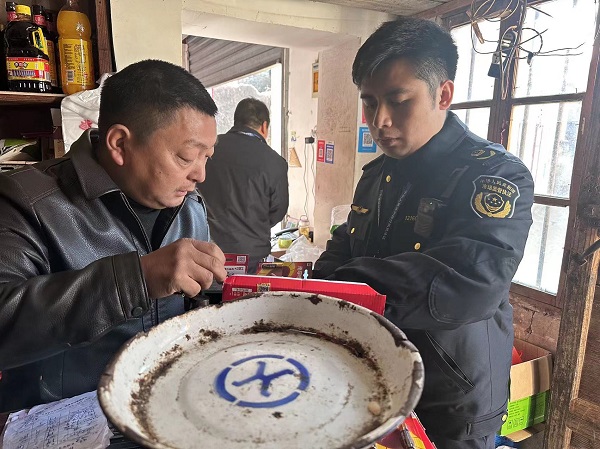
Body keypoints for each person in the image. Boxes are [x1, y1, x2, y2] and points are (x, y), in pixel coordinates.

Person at [313, 17, 534, 449]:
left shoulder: (495, 176)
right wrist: (315, 291)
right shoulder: (377, 175)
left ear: (443, 95)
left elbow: (472, 281)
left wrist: (346, 286)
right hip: (376, 377)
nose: (380, 120)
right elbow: (345, 243)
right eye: (369, 103)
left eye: (398, 101)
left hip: (449, 395)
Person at [0, 59, 227, 411]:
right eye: (186, 157)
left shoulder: (190, 207)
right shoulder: (25, 200)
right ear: (119, 144)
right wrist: (137, 279)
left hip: (165, 408)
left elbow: (191, 310)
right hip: (64, 419)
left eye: (206, 157)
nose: (200, 174)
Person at [198, 98, 289, 274]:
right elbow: (278, 211)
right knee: (248, 292)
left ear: (236, 121)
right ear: (264, 126)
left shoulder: (209, 149)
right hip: (252, 256)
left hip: (207, 250)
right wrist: (253, 223)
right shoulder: (275, 162)